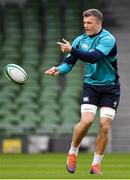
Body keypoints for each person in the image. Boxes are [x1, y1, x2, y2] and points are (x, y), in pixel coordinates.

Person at [45, 9, 120, 175]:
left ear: (99, 23)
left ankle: (96, 165)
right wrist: (59, 69)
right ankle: (72, 152)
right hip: (91, 86)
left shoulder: (108, 39)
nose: (86, 25)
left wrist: (72, 50)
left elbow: (94, 57)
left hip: (110, 88)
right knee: (86, 121)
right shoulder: (80, 40)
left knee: (104, 127)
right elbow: (70, 63)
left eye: (89, 22)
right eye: (84, 22)